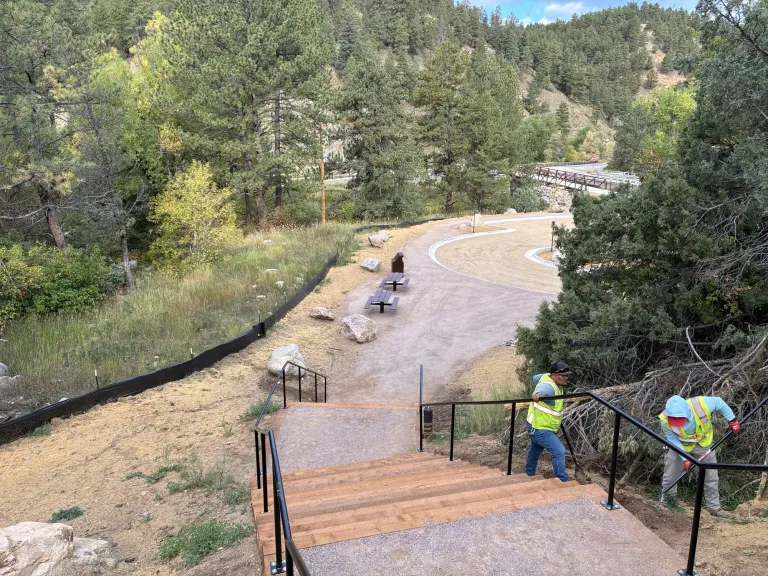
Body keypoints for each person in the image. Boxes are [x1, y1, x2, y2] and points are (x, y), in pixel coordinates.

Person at [659, 395, 741, 519]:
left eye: (680, 418)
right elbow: (673, 440)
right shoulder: (665, 420)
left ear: (687, 412)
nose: (677, 421)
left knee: (711, 476)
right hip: (680, 446)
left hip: (703, 443)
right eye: (673, 418)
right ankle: (667, 504)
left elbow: (719, 402)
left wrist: (732, 420)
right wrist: (685, 458)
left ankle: (714, 508)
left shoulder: (702, 404)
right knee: (670, 473)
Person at [525, 361, 571, 482]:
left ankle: (529, 474)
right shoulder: (549, 387)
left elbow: (535, 378)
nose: (567, 378)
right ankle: (562, 480)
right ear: (555, 375)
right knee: (559, 451)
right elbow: (542, 390)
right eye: (564, 376)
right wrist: (537, 394)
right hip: (540, 428)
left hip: (534, 425)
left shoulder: (546, 376)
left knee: (535, 449)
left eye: (567, 375)